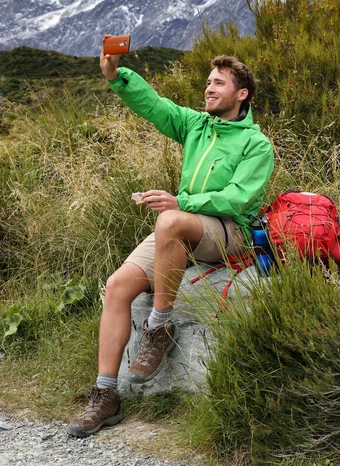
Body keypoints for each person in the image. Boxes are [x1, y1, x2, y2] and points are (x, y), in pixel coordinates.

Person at [66, 36, 274, 438]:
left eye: (218, 83)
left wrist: (182, 201)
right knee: (117, 286)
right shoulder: (196, 125)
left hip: (229, 233)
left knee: (171, 220)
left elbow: (237, 198)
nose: (209, 89)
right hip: (184, 227)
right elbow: (154, 106)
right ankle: (106, 396)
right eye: (208, 82)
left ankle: (159, 326)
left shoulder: (255, 143)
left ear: (241, 94)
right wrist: (116, 75)